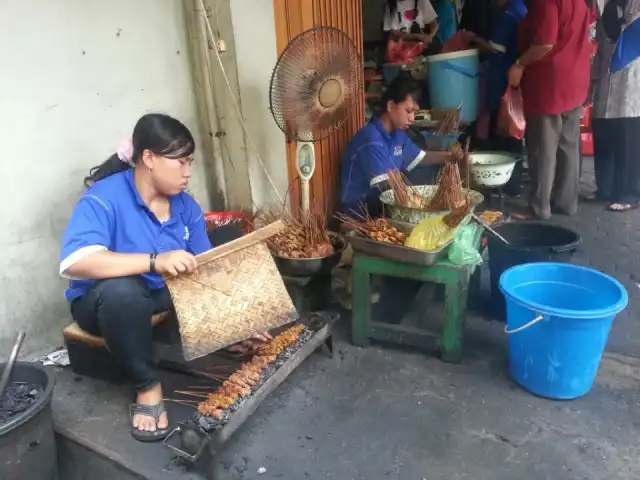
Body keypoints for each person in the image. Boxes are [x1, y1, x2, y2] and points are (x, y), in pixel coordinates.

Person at [59, 113, 271, 442]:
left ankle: (221, 333)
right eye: (181, 163)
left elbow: (206, 266)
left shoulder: (184, 205)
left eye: (191, 163)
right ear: (149, 158)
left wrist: (237, 319)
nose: (188, 172)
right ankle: (147, 386)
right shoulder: (104, 198)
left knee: (227, 236)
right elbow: (76, 261)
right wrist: (155, 261)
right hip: (103, 304)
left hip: (158, 294)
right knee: (122, 292)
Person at [508, 0, 596, 220]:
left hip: (550, 81)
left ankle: (539, 206)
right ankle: (566, 202)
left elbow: (544, 43)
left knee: (543, 148)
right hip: (575, 77)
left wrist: (519, 64)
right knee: (568, 145)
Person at [340, 74, 450, 217]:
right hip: (359, 216)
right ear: (391, 106)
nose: (412, 118)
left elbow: (421, 157)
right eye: (408, 111)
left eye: (415, 112)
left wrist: (450, 156)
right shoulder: (371, 138)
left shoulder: (398, 134)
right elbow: (387, 184)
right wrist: (419, 203)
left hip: (382, 209)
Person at [462, 0, 527, 197]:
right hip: (512, 79)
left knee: (502, 133)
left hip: (502, 79)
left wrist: (473, 39)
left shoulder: (508, 13)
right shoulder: (520, 8)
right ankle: (513, 185)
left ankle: (501, 185)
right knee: (513, 132)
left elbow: (496, 48)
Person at [598, 0, 640, 211]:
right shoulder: (611, 5)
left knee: (629, 137)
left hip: (632, 76)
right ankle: (607, 188)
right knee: (608, 133)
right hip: (608, 70)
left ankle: (630, 193)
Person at [586, 0, 615, 203]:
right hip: (603, 82)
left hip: (622, 88)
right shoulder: (605, 12)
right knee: (603, 136)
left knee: (615, 139)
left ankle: (615, 188)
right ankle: (604, 187)